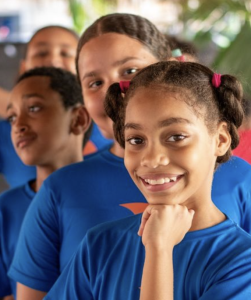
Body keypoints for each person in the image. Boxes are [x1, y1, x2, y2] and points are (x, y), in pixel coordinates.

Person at [8, 13, 251, 299]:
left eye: (176, 137)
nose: (152, 158)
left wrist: (159, 249)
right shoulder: (98, 244)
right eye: (136, 140)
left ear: (221, 139)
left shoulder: (241, 262)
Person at [0, 66, 91, 300]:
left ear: (78, 119)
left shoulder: (108, 193)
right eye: (11, 117)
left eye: (34, 108)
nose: (18, 124)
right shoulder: (5, 208)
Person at [0, 25, 110, 189]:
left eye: (65, 53)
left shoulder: (109, 121)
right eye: (41, 53)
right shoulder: (7, 131)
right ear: (23, 67)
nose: (53, 60)